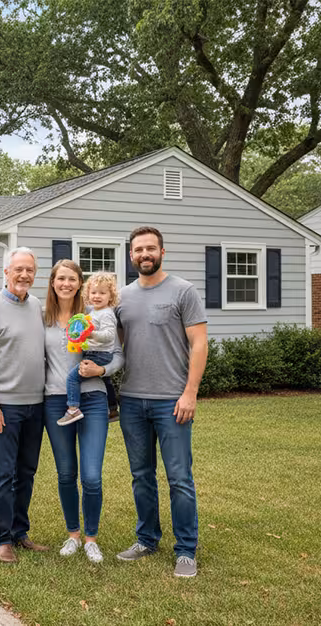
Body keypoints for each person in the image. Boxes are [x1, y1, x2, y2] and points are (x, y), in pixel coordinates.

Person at [115, 226, 208, 578]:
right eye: (138, 250)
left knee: (179, 477)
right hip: (132, 401)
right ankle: (147, 538)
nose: (144, 254)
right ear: (131, 256)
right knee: (141, 476)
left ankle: (186, 550)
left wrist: (190, 393)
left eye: (150, 248)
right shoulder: (122, 297)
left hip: (172, 401)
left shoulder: (183, 291)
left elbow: (199, 343)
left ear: (162, 252)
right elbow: (116, 346)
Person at [0, 247, 48, 563]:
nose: (24, 275)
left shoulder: (38, 307)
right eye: (18, 269)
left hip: (36, 406)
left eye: (29, 270)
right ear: (6, 272)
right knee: (3, 473)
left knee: (26, 472)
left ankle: (20, 532)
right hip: (5, 407)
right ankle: (1, 539)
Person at [43, 260, 124, 563]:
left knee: (91, 477)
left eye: (72, 279)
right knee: (66, 474)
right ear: (53, 282)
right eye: (60, 278)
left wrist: (101, 369)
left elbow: (117, 355)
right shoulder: (43, 320)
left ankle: (91, 538)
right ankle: (73, 535)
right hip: (54, 402)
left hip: (92, 400)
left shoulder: (94, 315)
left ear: (80, 284)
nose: (66, 284)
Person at [59, 271, 119, 425]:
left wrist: (90, 334)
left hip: (99, 355)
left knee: (73, 378)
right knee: (106, 381)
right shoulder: (94, 312)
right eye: (93, 292)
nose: (96, 296)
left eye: (102, 293)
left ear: (110, 296)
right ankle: (112, 409)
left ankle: (73, 409)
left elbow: (109, 335)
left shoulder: (106, 314)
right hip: (96, 351)